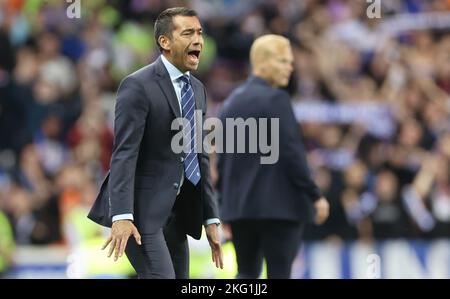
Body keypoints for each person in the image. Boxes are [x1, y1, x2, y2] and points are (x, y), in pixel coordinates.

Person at [88, 7, 223, 279]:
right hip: (141, 216)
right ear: (165, 42)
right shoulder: (137, 85)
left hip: (178, 216)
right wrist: (122, 215)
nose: (198, 40)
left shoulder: (197, 89)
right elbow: (124, 153)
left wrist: (211, 218)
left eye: (199, 33)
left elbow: (200, 157)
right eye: (187, 33)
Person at [217, 35, 329, 279]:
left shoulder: (229, 104)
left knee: (246, 273)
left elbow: (223, 162)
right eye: (283, 61)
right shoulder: (277, 99)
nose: (290, 67)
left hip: (240, 209)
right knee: (280, 274)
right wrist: (314, 194)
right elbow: (291, 153)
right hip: (279, 208)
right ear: (262, 62)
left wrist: (223, 207)